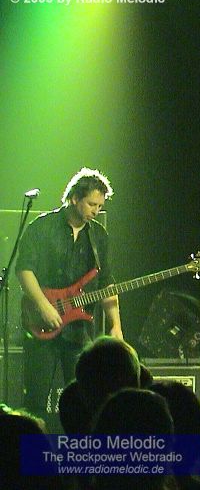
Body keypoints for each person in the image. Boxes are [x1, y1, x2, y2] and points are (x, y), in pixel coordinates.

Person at [16, 167, 122, 418]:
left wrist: (116, 325)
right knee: (35, 402)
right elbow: (24, 269)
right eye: (91, 204)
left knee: (83, 402)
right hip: (40, 326)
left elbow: (106, 282)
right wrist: (43, 306)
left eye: (100, 206)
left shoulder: (98, 236)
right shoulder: (42, 228)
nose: (96, 211)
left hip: (79, 331)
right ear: (74, 198)